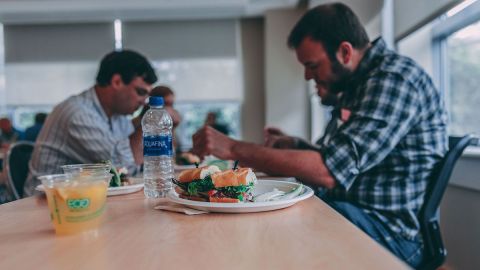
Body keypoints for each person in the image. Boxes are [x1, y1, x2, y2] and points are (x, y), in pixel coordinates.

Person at [192, 3, 447, 268]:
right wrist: (295, 145)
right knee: (265, 215)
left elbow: (329, 171)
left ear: (345, 52)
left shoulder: (393, 80)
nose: (306, 75)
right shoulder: (358, 84)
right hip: (353, 209)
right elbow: (335, 155)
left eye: (312, 65)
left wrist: (234, 149)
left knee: (269, 231)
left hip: (390, 232)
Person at [25, 50, 157, 196]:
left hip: (82, 200)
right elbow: (123, 168)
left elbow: (136, 168)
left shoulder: (117, 117)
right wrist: (151, 122)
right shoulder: (77, 113)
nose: (144, 101)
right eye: (140, 92)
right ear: (117, 82)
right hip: (46, 206)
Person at [130, 85, 182, 164]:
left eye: (171, 105)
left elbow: (170, 155)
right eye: (166, 104)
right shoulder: (135, 124)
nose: (169, 109)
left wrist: (173, 128)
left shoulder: (167, 125)